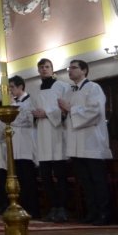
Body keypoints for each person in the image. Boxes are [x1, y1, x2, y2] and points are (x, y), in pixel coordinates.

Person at [59, 59, 113, 226]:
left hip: (91, 143)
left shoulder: (93, 88)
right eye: (69, 68)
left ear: (84, 70)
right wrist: (64, 113)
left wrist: (70, 109)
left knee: (98, 180)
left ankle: (104, 214)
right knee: (85, 182)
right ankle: (91, 213)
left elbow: (95, 112)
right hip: (76, 145)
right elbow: (67, 117)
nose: (70, 70)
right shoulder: (69, 92)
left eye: (74, 68)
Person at [32, 58, 70, 222]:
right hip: (42, 135)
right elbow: (31, 111)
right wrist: (35, 114)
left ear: (52, 69)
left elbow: (65, 109)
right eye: (41, 67)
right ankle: (53, 207)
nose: (44, 69)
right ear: (38, 70)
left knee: (60, 175)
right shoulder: (35, 90)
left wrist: (46, 113)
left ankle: (63, 207)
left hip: (57, 134)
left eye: (47, 67)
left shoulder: (62, 86)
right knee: (46, 177)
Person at [9, 75, 40, 218]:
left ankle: (34, 209)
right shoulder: (14, 102)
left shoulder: (30, 100)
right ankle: (23, 208)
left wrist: (13, 118)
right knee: (20, 179)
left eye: (12, 87)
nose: (10, 90)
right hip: (16, 146)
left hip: (27, 144)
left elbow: (28, 120)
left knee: (29, 179)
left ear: (21, 86)